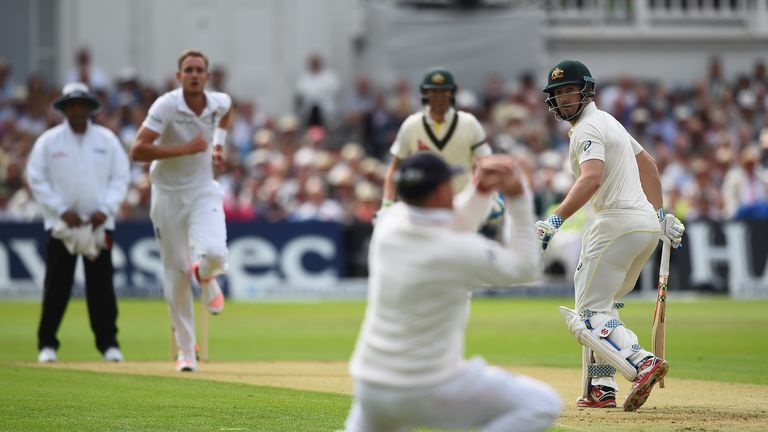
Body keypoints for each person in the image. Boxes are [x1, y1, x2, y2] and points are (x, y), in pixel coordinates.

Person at [344, 152, 562, 432]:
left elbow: (449, 218)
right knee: (541, 403)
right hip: (429, 388)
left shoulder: (389, 222)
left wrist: (481, 189)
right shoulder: (459, 250)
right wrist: (518, 196)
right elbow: (526, 267)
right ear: (442, 190)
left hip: (370, 386)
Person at [536, 60, 685, 411]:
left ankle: (641, 360)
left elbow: (591, 178)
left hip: (615, 224)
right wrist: (660, 214)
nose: (563, 98)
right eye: (557, 93)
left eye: (569, 90)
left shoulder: (588, 127)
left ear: (586, 91)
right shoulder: (609, 121)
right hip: (644, 228)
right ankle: (602, 388)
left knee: (586, 316)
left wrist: (553, 221)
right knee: (604, 307)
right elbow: (647, 162)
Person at [130, 50, 233, 372]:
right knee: (174, 274)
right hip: (168, 195)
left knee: (215, 252)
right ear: (179, 76)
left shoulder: (219, 102)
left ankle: (203, 273)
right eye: (188, 70)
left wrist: (218, 146)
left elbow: (228, 115)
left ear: (207, 75)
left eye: (199, 70)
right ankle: (186, 352)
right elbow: (138, 149)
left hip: (203, 191)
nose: (194, 74)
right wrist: (183, 149)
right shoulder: (166, 105)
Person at [27, 82, 130, 363]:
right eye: (71, 105)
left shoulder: (107, 140)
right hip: (63, 227)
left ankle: (109, 344)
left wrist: (105, 210)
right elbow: (36, 178)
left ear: (89, 108)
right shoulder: (49, 142)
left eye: (81, 104)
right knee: (57, 287)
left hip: (98, 226)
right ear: (64, 108)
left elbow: (121, 177)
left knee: (102, 289)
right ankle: (47, 344)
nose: (76, 109)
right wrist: (60, 209)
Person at [382, 66, 503, 238]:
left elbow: (486, 164)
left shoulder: (468, 123)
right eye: (433, 92)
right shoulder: (411, 125)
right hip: (422, 209)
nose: (438, 98)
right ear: (425, 94)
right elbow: (394, 170)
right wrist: (386, 205)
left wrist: (493, 196)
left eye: (443, 92)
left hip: (461, 208)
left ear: (451, 94)